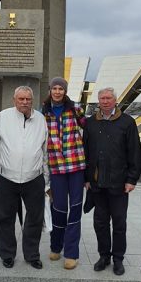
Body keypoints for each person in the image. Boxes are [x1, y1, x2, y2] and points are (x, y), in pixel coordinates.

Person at [0, 85, 48, 269]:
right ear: (14, 100)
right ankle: (7, 254)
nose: (24, 102)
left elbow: (45, 149)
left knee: (35, 218)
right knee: (4, 217)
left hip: (34, 177)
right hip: (7, 177)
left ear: (32, 101)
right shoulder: (2, 117)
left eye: (28, 99)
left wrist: (46, 177)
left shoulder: (40, 119)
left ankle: (32, 254)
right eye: (21, 99)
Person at [84, 87, 141, 275]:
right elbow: (85, 152)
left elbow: (134, 152)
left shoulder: (127, 122)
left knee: (119, 223)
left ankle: (118, 259)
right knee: (100, 223)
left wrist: (131, 179)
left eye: (109, 98)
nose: (105, 101)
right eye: (102, 98)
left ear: (115, 100)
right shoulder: (91, 123)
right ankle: (104, 256)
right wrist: (87, 179)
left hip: (119, 184)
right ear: (98, 101)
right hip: (97, 185)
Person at [41, 76, 86, 269]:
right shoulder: (43, 112)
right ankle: (56, 246)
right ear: (50, 90)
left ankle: (71, 253)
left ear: (65, 91)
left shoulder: (75, 109)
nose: (57, 92)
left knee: (75, 208)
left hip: (76, 166)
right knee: (58, 208)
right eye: (55, 88)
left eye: (61, 89)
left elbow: (89, 130)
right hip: (56, 167)